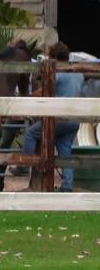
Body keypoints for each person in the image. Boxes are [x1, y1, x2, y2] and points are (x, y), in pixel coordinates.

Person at [22, 41, 84, 191]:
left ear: (54, 57)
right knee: (65, 153)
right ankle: (67, 186)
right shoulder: (79, 74)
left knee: (30, 133)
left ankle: (24, 164)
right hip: (74, 120)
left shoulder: (59, 73)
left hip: (59, 119)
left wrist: (27, 97)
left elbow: (44, 91)